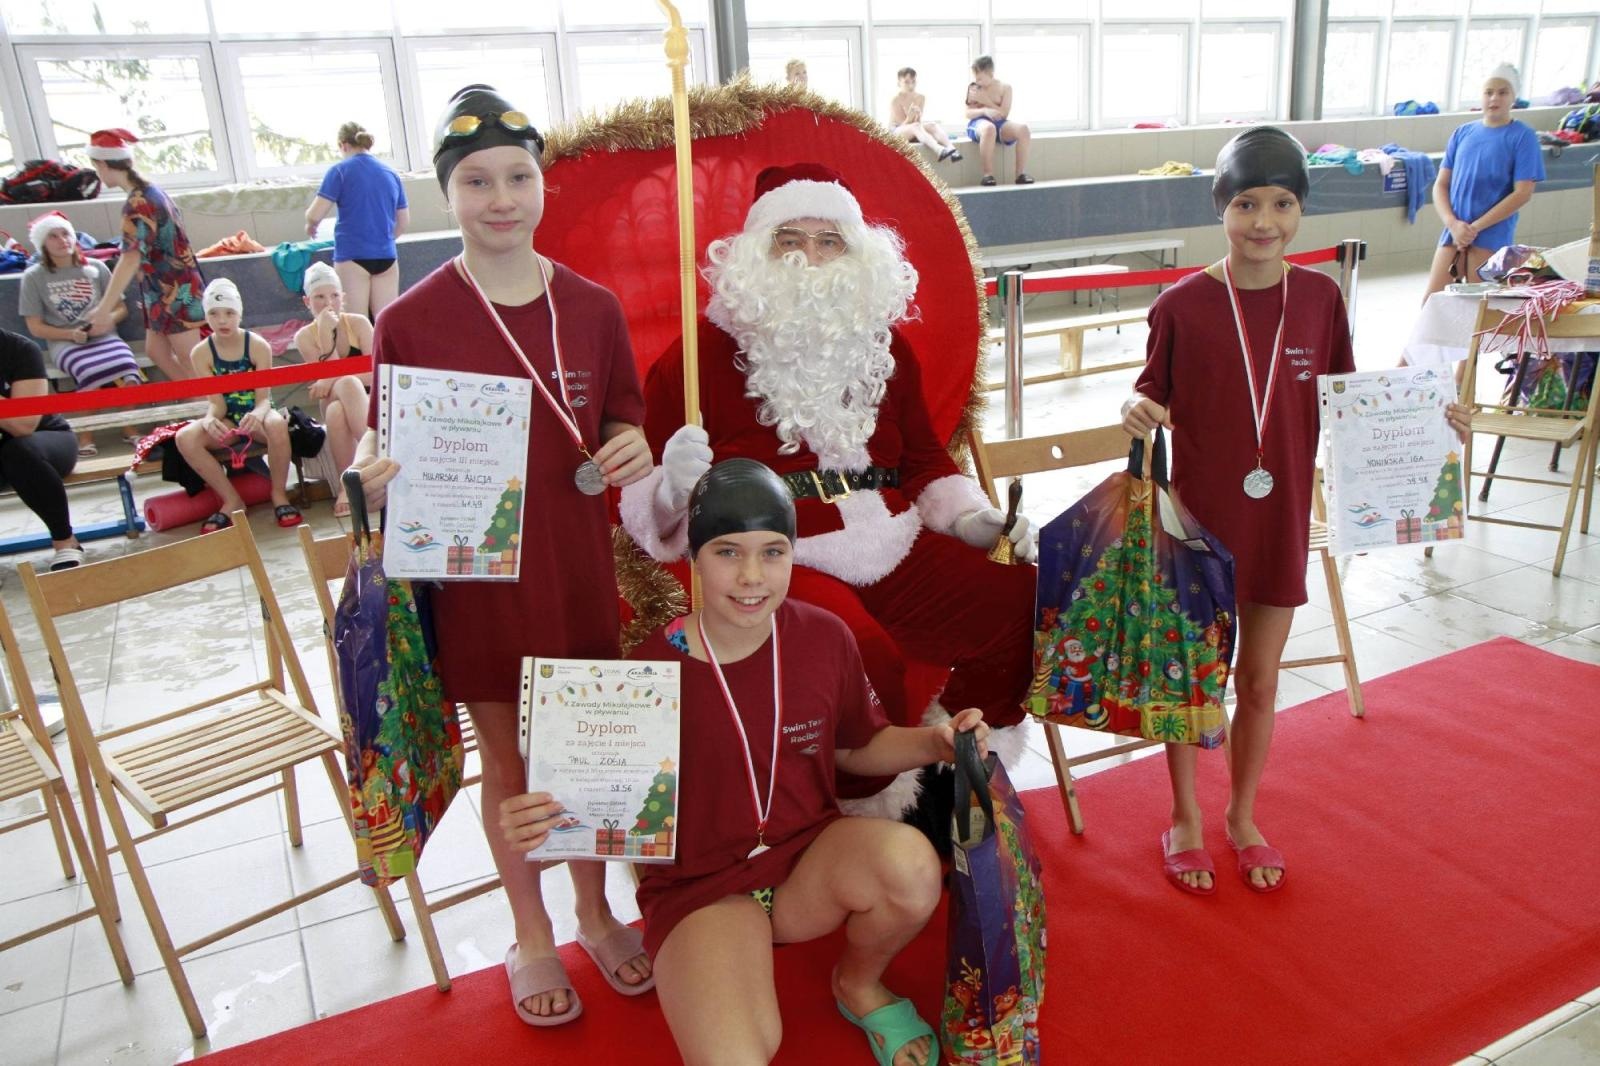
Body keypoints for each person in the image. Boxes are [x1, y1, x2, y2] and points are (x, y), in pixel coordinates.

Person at [502, 458, 988, 1066]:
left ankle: (858, 984)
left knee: (910, 867)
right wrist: (547, 818)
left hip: (808, 859)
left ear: (792, 553)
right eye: (728, 552)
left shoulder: (824, 636)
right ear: (695, 557)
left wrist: (934, 743)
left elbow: (858, 746)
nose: (752, 576)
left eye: (772, 552)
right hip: (701, 892)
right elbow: (604, 803)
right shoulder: (643, 677)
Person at [345, 84, 655, 1026]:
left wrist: (631, 445)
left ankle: (596, 913)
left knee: (585, 746)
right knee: (511, 761)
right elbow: (384, 435)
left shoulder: (593, 308)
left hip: (577, 571)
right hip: (479, 583)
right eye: (476, 181)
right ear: (446, 195)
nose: (501, 198)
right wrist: (370, 469)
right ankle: (531, 934)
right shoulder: (411, 320)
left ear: (542, 185)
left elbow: (623, 416)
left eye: (518, 176)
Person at [619, 162, 1036, 820]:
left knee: (1018, 593)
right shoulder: (697, 357)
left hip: (894, 539)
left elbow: (924, 461)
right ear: (755, 253)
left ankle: (959, 753)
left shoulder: (886, 350)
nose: (808, 258)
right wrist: (672, 486)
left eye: (828, 241)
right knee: (857, 648)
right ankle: (865, 808)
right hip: (782, 557)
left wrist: (971, 519)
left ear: (857, 254)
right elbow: (642, 497)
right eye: (789, 240)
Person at [174, 278, 303, 534]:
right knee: (185, 437)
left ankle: (279, 494)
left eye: (229, 313)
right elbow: (217, 403)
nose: (222, 320)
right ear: (206, 316)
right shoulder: (201, 353)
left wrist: (257, 414)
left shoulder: (257, 346)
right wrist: (210, 419)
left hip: (259, 415)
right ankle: (232, 500)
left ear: (239, 314)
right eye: (214, 313)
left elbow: (264, 399)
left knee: (277, 424)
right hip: (229, 419)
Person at [81, 128, 204, 382]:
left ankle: (209, 402)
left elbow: (130, 258)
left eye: (96, 167)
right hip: (161, 289)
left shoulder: (139, 202)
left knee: (191, 360)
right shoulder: (148, 192)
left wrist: (104, 309)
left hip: (177, 290)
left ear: (103, 163)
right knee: (156, 352)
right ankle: (195, 398)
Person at [17, 211, 142, 455]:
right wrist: (70, 335)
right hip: (64, 343)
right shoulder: (33, 277)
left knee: (128, 367)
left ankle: (128, 426)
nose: (62, 240)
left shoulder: (96, 267)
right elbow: (35, 327)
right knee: (89, 371)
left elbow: (121, 308)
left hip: (105, 338)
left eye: (65, 233)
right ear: (43, 244)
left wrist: (107, 320)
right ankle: (86, 435)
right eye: (53, 236)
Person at [1422, 63, 1545, 300]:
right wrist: (1453, 224)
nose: (1494, 98)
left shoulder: (1523, 136)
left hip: (1492, 233)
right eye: (1489, 92)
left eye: (1502, 92)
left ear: (1513, 97)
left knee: (1480, 304)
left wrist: (1475, 228)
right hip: (1455, 231)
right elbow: (1441, 185)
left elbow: (1522, 193)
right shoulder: (1462, 133)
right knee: (1433, 301)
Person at [304, 122, 410, 320]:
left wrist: (311, 225)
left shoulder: (340, 171)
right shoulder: (390, 173)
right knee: (386, 322)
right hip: (386, 256)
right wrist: (383, 239)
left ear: (343, 145)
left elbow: (315, 214)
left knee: (354, 323)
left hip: (352, 256)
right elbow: (403, 221)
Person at [0, 328, 86, 570]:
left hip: (44, 439)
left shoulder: (19, 349)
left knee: (18, 452)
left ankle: (65, 541)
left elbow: (24, 424)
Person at [292, 261, 371, 517]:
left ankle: (346, 486)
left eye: (334, 295)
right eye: (320, 297)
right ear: (307, 301)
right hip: (333, 396)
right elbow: (324, 388)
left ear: (343, 297)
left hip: (369, 396)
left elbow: (375, 374)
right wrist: (326, 334)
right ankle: (376, 457)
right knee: (347, 384)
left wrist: (331, 378)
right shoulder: (305, 336)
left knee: (338, 411)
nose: (329, 303)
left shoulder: (359, 323)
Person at [964, 56, 1033, 186]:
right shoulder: (974, 88)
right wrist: (984, 111)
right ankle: (988, 175)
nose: (977, 81)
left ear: (990, 74)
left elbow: (1004, 114)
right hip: (979, 123)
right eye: (975, 78)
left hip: (999, 122)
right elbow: (967, 113)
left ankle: (1020, 174)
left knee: (1023, 129)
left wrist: (986, 101)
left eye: (980, 78)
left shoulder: (1005, 88)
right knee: (989, 128)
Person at [889, 68, 961, 164]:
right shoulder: (895, 100)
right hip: (897, 132)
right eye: (906, 82)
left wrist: (918, 116)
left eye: (913, 81)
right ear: (899, 83)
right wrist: (909, 118)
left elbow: (918, 123)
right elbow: (902, 125)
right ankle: (939, 150)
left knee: (932, 125)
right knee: (915, 126)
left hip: (914, 129)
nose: (911, 85)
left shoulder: (920, 98)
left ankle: (952, 149)